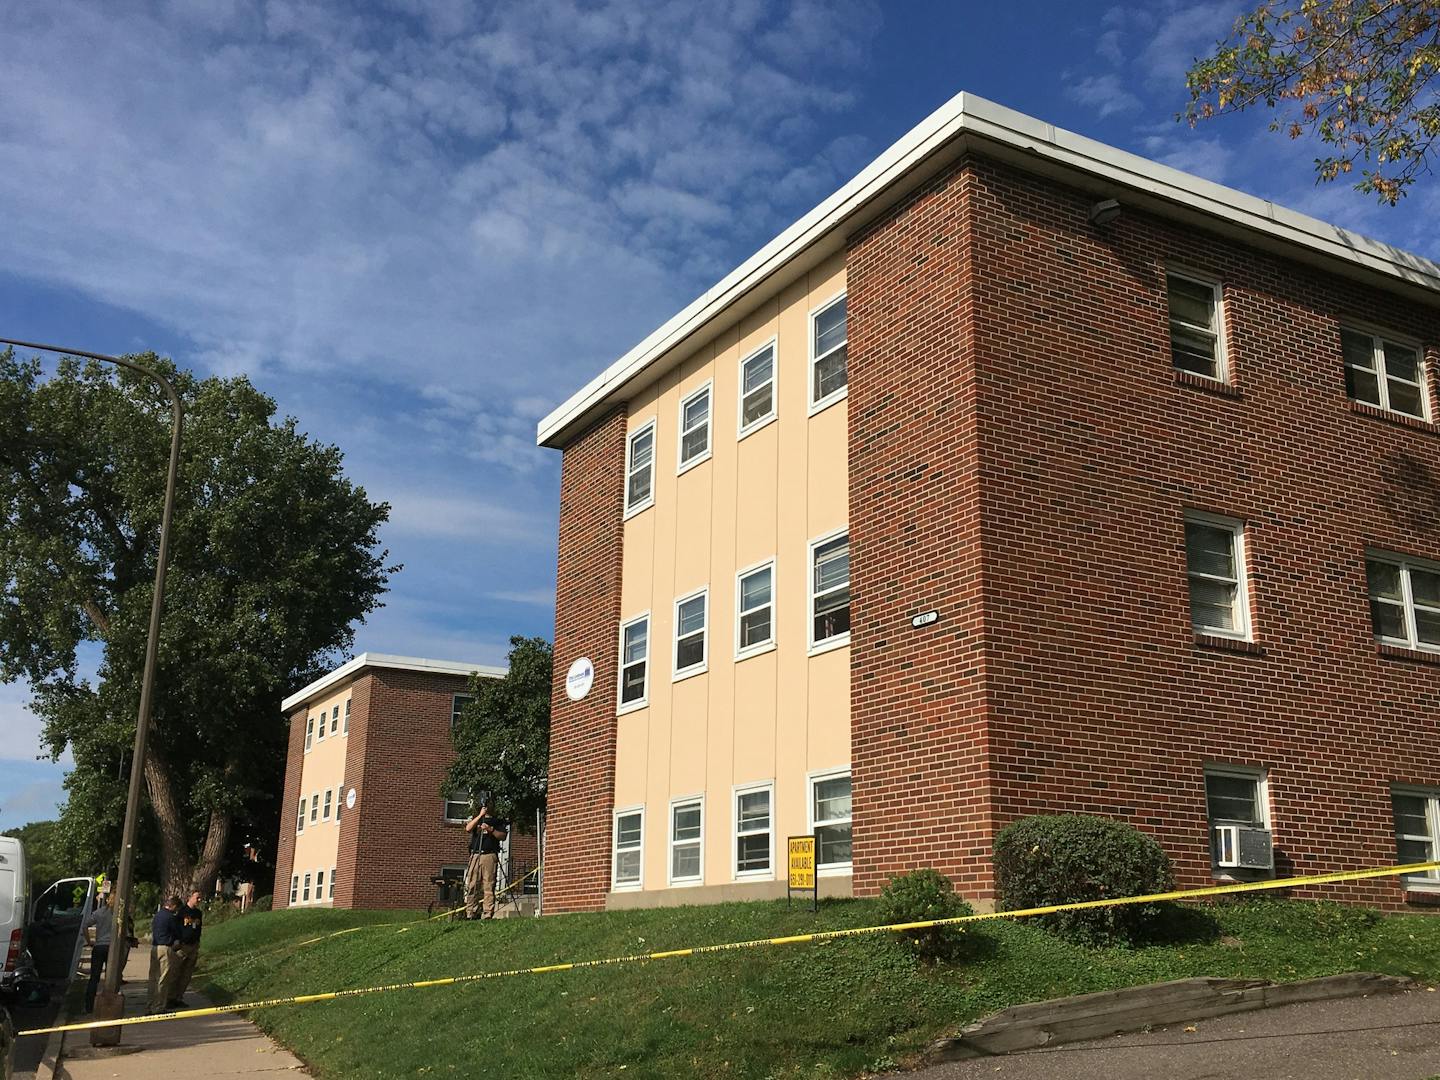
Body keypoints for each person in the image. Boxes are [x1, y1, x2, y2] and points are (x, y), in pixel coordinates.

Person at [463, 801, 508, 920]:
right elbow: (468, 828)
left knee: (488, 884)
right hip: (476, 854)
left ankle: (487, 913)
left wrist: (490, 829)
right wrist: (479, 816)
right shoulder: (476, 819)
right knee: (473, 884)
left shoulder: (497, 821)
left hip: (489, 855)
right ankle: (471, 912)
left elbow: (502, 836)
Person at [147, 895, 183, 1013]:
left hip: (155, 947)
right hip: (165, 947)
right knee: (163, 978)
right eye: (176, 908)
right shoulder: (170, 917)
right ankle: (159, 1006)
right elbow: (177, 932)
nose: (176, 911)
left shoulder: (157, 916)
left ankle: (150, 1003)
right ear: (172, 906)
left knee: (153, 978)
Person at [81, 890, 115, 1013]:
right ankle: (109, 1005)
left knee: (94, 977)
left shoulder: (99, 913)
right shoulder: (118, 915)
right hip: (112, 948)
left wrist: (89, 941)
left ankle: (89, 1005)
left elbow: (85, 925)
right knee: (111, 977)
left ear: (107, 900)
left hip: (99, 946)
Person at [169, 887, 204, 1008]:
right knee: (175, 972)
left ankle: (179, 997)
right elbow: (175, 928)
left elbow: (198, 928)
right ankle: (170, 997)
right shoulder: (181, 912)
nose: (199, 899)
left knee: (186, 975)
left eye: (200, 897)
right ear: (190, 897)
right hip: (182, 946)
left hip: (193, 946)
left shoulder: (198, 913)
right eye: (196, 897)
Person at [236, 842, 261, 913]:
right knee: (246, 895)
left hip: (250, 882)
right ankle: (244, 909)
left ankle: (247, 909)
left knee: (249, 895)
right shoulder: (246, 860)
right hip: (245, 882)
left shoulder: (254, 859)